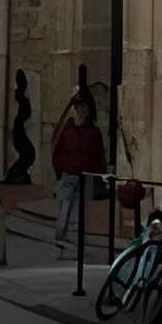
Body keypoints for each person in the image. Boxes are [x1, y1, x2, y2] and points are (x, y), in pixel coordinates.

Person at [51, 86, 104, 252]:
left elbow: (99, 155)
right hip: (69, 174)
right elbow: (57, 149)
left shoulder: (93, 132)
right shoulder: (69, 129)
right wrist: (60, 171)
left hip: (85, 175)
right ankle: (61, 239)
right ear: (76, 109)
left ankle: (73, 242)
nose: (84, 110)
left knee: (79, 211)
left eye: (87, 107)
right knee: (65, 208)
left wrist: (99, 176)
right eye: (81, 107)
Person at [5, 69, 35, 185]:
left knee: (28, 153)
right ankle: (14, 174)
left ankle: (17, 173)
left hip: (20, 126)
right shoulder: (18, 94)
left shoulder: (22, 94)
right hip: (19, 126)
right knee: (28, 153)